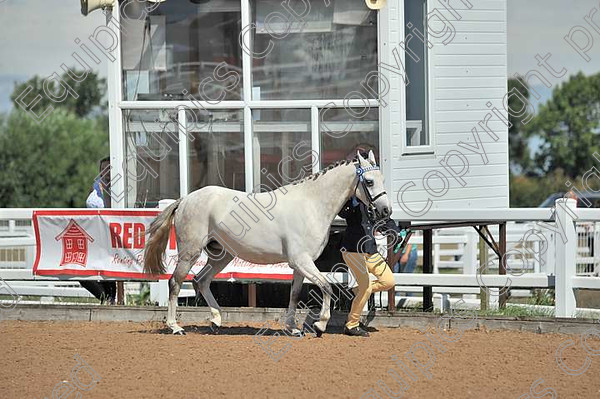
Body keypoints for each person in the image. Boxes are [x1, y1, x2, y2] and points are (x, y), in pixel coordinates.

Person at [338, 155, 401, 337]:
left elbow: (386, 220)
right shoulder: (351, 199)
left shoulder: (374, 202)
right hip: (352, 250)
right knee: (366, 287)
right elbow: (343, 213)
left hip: (369, 250)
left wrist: (395, 231)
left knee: (388, 281)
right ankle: (351, 325)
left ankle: (357, 291)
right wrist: (354, 201)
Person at [80, 157, 117, 305]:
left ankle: (110, 300)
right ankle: (105, 298)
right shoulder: (95, 186)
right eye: (103, 168)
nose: (106, 172)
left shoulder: (116, 188)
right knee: (81, 272)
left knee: (109, 269)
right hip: (92, 234)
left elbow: (111, 210)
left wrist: (107, 190)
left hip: (109, 235)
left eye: (109, 168)